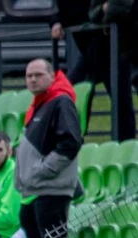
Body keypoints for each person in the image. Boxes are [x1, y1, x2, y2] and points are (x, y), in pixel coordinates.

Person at [16, 59, 83, 238]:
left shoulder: (61, 102)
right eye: (29, 76)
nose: (33, 80)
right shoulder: (41, 104)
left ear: (52, 76)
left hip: (52, 188)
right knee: (28, 222)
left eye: (38, 75)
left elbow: (71, 142)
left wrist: (44, 170)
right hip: (39, 188)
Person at [52, 0, 134, 141]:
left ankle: (126, 146)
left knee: (121, 101)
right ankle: (69, 140)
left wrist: (104, 10)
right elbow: (66, 12)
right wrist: (56, 22)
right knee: (69, 92)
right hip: (92, 51)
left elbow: (116, 8)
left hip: (113, 47)